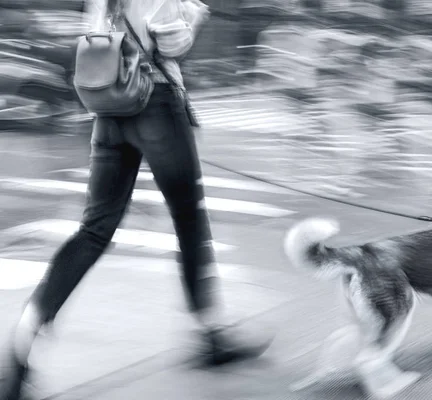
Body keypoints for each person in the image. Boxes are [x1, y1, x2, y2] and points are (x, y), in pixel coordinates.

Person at [0, 0, 273, 398]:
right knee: (190, 222)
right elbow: (173, 45)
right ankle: (211, 334)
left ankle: (24, 340)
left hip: (109, 110)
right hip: (156, 104)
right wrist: (194, 15)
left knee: (93, 230)